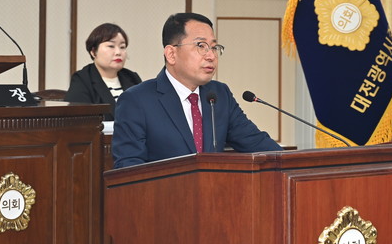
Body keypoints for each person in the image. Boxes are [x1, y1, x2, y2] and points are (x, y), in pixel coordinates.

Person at [112, 12, 281, 168]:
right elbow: (128, 168)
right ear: (171, 54)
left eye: (214, 47)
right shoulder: (136, 101)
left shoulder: (220, 95)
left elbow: (256, 142)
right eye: (201, 45)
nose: (211, 56)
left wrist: (291, 162)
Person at [65, 23, 142, 120]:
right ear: (93, 51)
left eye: (122, 47)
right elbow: (77, 119)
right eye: (111, 46)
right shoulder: (82, 79)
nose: (118, 52)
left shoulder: (132, 77)